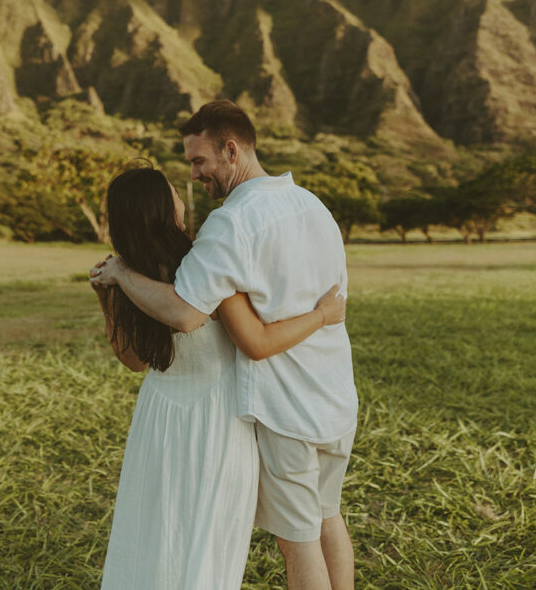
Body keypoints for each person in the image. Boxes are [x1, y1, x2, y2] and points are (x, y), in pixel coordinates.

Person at [90, 101, 359, 590]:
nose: (194, 176)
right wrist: (322, 316)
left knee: (298, 543)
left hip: (286, 408)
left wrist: (119, 277)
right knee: (328, 519)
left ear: (231, 150)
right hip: (335, 396)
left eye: (198, 162)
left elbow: (187, 313)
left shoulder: (229, 225)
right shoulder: (312, 204)